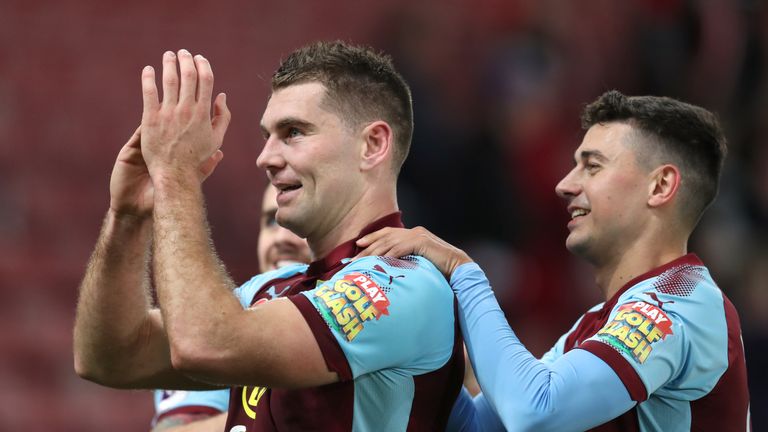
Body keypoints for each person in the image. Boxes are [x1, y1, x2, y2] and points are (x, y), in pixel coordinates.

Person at [73, 41, 465, 431]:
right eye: (267, 136)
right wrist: (127, 217)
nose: (266, 158)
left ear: (373, 144)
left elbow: (208, 345)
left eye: (293, 132)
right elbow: (110, 357)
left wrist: (176, 176)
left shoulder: (404, 284)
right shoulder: (274, 288)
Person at [358, 91, 752, 431]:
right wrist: (417, 352)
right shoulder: (596, 325)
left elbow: (535, 411)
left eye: (592, 166)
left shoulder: (678, 304)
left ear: (660, 186)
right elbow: (480, 426)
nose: (565, 185)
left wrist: (464, 273)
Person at [151, 183, 312, 431]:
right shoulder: (217, 329)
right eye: (271, 221)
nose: (281, 238)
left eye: (301, 222)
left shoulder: (383, 307)